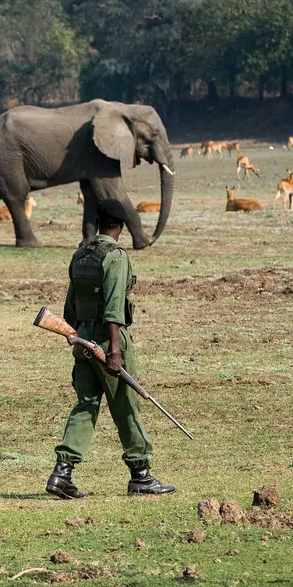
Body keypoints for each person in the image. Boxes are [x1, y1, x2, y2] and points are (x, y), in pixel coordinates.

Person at [46, 199, 176, 499]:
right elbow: (115, 309)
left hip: (83, 340)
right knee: (126, 405)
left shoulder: (81, 254)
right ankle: (141, 475)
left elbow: (69, 309)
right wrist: (115, 351)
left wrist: (79, 337)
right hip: (107, 341)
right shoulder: (115, 257)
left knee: (86, 405)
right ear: (121, 225)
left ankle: (62, 473)